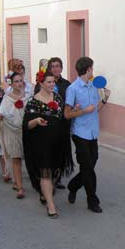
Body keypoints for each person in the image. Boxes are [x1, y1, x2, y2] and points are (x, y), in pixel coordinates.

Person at [23, 71, 73, 218]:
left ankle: (44, 193)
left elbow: (63, 117)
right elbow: (26, 125)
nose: (52, 84)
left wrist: (74, 110)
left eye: (53, 82)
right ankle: (51, 206)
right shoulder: (33, 101)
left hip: (58, 142)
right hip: (41, 144)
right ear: (41, 83)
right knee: (45, 173)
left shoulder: (57, 97)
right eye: (49, 82)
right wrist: (36, 120)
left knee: (55, 172)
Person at [65, 57, 110, 213]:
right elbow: (67, 114)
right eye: (92, 68)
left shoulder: (93, 86)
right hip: (79, 133)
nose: (93, 71)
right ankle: (93, 201)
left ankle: (73, 186)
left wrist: (105, 99)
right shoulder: (73, 89)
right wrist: (83, 110)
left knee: (90, 165)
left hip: (93, 132)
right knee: (87, 167)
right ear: (88, 69)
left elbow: (96, 109)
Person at [34, 57, 72, 190]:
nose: (55, 68)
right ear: (49, 69)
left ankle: (57, 178)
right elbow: (36, 103)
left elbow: (71, 102)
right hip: (46, 124)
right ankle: (46, 180)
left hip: (62, 124)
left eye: (58, 66)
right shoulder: (41, 84)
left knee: (60, 153)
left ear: (61, 68)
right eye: (53, 66)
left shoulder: (67, 84)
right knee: (47, 153)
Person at [0, 72, 29, 199]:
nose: (19, 83)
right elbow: (1, 112)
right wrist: (0, 115)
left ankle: (33, 183)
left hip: (26, 131)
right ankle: (19, 187)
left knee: (29, 158)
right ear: (12, 84)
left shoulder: (28, 97)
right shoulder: (7, 98)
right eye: (16, 81)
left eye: (20, 81)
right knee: (16, 158)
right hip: (12, 131)